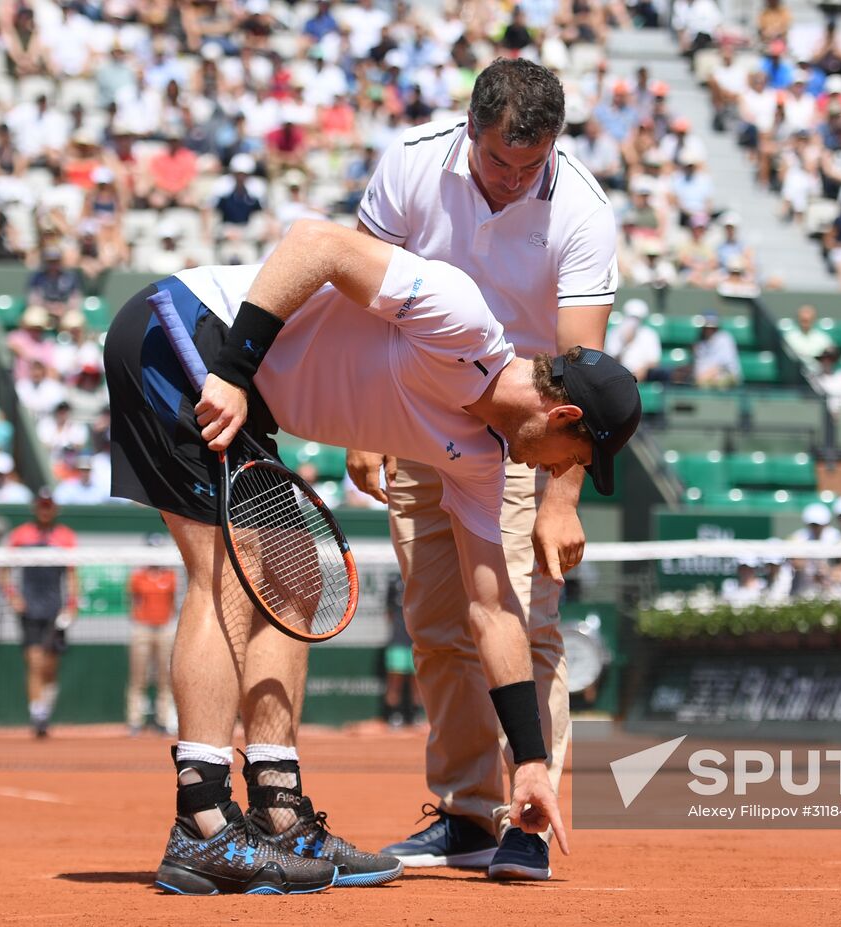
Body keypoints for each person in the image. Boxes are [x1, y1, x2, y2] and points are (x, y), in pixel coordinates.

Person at [103, 218, 638, 894]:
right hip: (187, 335)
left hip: (243, 383)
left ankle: (278, 810)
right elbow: (315, 244)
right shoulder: (460, 317)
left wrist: (529, 762)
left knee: (295, 579)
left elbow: (495, 609)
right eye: (577, 459)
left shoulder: (483, 460)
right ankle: (202, 822)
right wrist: (233, 373)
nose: (561, 471)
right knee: (230, 575)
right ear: (563, 418)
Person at [350, 58, 618, 882]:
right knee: (437, 627)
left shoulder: (582, 210)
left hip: (522, 432)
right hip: (413, 417)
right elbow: (360, 292)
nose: (511, 179)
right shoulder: (409, 162)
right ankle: (466, 812)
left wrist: (561, 500)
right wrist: (360, 423)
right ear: (471, 127)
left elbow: (581, 380)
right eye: (499, 160)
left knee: (524, 623)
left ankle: (528, 818)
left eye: (530, 165)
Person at [0, 490, 79, 737]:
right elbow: (3, 569)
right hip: (30, 610)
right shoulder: (20, 535)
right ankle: (38, 714)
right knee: (34, 662)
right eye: (41, 506)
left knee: (50, 666)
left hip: (55, 611)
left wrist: (71, 605)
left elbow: (72, 575)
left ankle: (46, 709)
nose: (45, 510)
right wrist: (12, 596)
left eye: (49, 506)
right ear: (35, 508)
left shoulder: (66, 536)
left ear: (54, 509)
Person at [127, 537, 178, 736]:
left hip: (165, 628)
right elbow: (132, 600)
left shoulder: (170, 576)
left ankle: (163, 720)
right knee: (138, 676)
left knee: (164, 678)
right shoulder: (137, 576)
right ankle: (135, 721)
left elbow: (173, 602)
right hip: (143, 629)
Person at [381, 574, 419, 728]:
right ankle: (394, 715)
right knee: (395, 681)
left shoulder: (421, 579)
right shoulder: (394, 582)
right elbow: (389, 613)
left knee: (417, 682)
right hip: (397, 642)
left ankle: (415, 715)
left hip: (417, 643)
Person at [603, 298, 662, 382]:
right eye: (631, 317)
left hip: (644, 376)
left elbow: (654, 362)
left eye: (637, 318)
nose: (633, 321)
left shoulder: (650, 334)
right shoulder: (614, 333)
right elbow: (611, 360)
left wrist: (642, 370)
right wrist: (624, 343)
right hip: (618, 375)